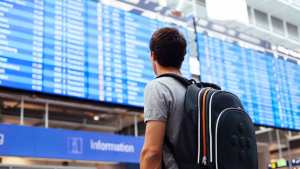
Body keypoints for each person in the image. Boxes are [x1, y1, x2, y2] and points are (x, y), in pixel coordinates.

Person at [140, 27, 187, 169]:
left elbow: (152, 152)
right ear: (182, 58)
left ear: (153, 56)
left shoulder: (158, 87)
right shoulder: (197, 90)